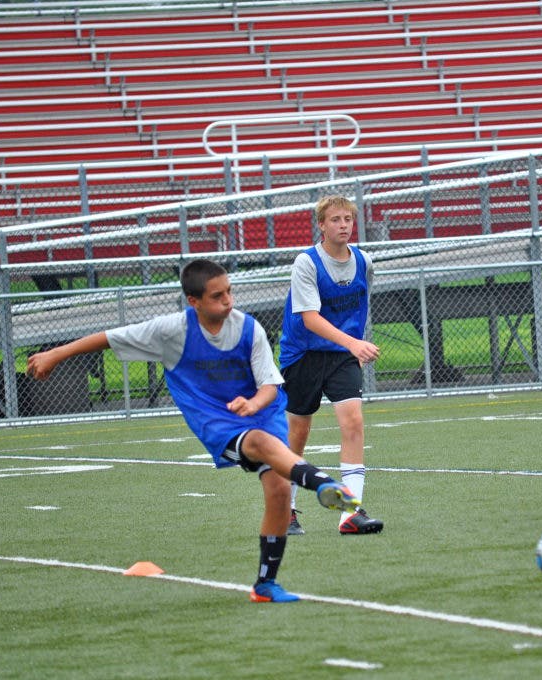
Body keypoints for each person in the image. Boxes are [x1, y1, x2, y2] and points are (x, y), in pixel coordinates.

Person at [26, 259, 360, 603]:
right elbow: (109, 338)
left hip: (261, 409)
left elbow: (270, 387)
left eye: (229, 292)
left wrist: (254, 405)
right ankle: (321, 482)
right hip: (217, 421)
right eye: (217, 296)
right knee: (259, 443)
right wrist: (55, 354)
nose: (228, 301)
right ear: (194, 301)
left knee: (277, 490)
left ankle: (265, 585)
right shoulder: (172, 331)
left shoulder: (249, 328)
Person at [280, 194, 384, 535]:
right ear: (321, 225)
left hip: (341, 356)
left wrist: (351, 345)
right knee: (298, 434)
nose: (343, 225)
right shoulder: (306, 263)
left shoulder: (364, 261)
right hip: (304, 355)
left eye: (348, 219)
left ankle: (351, 513)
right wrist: (353, 342)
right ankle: (287, 508)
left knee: (353, 421)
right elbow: (310, 319)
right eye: (336, 219)